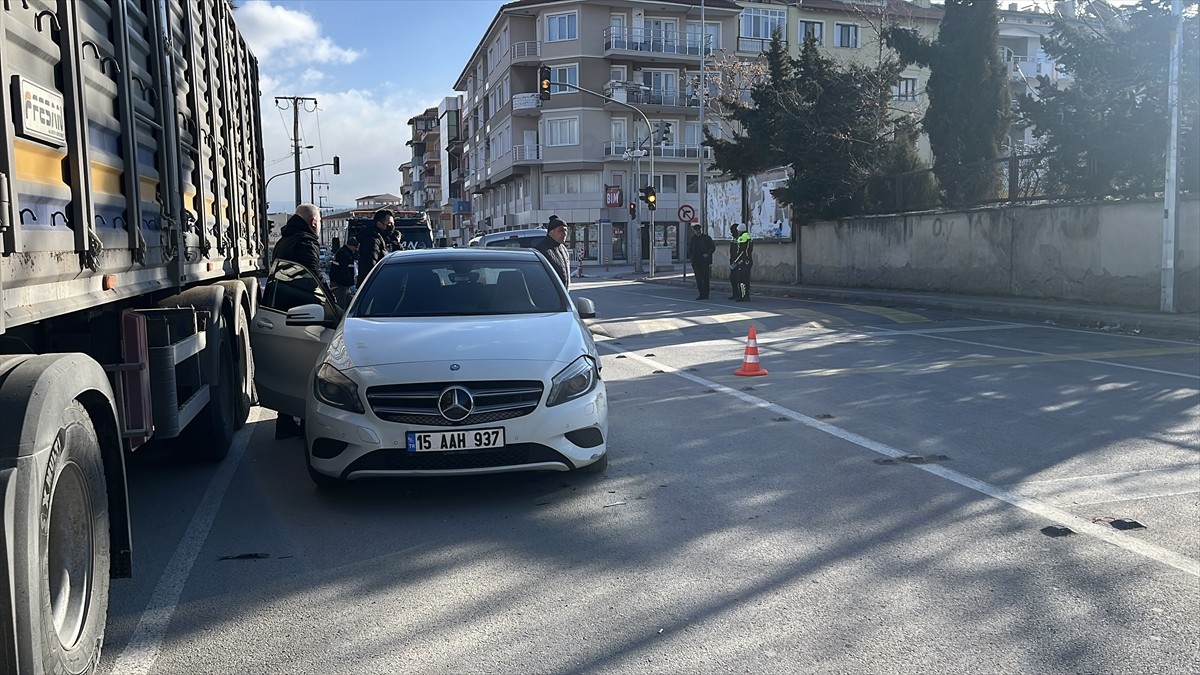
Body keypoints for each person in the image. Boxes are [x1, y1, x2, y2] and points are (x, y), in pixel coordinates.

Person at [269, 203, 322, 439]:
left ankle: (285, 421)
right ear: (313, 223)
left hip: (279, 311)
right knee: (307, 368)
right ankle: (305, 420)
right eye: (319, 222)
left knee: (286, 367)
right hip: (301, 313)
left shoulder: (284, 240)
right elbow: (314, 279)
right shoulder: (305, 241)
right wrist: (331, 305)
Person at [271, 203, 321, 276]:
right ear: (314, 223)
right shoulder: (307, 243)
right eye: (319, 221)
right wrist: (325, 287)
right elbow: (314, 275)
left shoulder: (282, 242)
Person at [356, 209, 395, 288]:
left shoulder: (382, 239)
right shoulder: (372, 241)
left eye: (393, 224)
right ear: (379, 224)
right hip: (373, 287)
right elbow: (369, 266)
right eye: (389, 224)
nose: (392, 227)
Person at [534, 216, 571, 288]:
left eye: (566, 230)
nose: (564, 233)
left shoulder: (563, 248)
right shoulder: (542, 249)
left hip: (563, 292)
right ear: (551, 232)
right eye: (561, 231)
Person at [328, 237, 359, 307]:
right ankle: (340, 317)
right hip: (340, 284)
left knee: (346, 303)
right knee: (340, 304)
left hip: (341, 283)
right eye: (355, 247)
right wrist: (350, 283)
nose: (356, 250)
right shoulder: (345, 254)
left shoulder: (343, 252)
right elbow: (344, 270)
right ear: (351, 246)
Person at [689, 223, 715, 300]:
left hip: (704, 261)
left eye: (699, 230)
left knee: (705, 278)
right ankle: (701, 294)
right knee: (698, 278)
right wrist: (691, 259)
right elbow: (690, 249)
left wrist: (708, 254)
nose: (698, 231)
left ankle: (706, 294)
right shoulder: (693, 239)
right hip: (695, 261)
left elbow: (712, 247)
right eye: (696, 230)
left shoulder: (706, 238)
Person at [729, 223, 754, 302]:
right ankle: (745, 295)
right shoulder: (748, 236)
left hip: (742, 262)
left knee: (742, 280)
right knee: (745, 280)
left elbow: (741, 252)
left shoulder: (742, 238)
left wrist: (735, 262)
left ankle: (743, 296)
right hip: (747, 261)